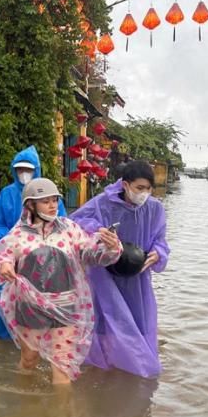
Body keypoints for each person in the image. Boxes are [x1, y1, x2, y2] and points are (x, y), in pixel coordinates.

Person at [0, 178, 122, 385]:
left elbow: (90, 253)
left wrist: (110, 247)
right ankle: (26, 407)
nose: (53, 205)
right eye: (45, 201)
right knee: (29, 360)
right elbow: (0, 257)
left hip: (66, 306)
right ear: (30, 205)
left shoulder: (70, 229)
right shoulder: (17, 235)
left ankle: (61, 415)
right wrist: (4, 266)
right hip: (30, 307)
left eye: (54, 200)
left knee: (62, 367)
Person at [70, 160, 170, 378]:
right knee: (105, 318)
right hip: (104, 274)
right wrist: (99, 231)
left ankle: (132, 368)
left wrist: (157, 253)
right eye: (139, 188)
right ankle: (102, 367)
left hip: (137, 275)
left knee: (137, 319)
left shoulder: (154, 208)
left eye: (148, 189)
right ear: (126, 185)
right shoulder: (103, 203)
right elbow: (75, 222)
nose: (144, 193)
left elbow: (160, 240)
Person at [0, 146, 67, 340]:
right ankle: (3, 342)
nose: (24, 174)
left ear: (37, 170)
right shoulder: (6, 194)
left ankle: (36, 344)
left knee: (38, 305)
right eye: (20, 170)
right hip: (10, 259)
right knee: (4, 303)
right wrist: (14, 244)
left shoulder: (48, 195)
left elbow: (62, 226)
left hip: (40, 260)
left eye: (29, 170)